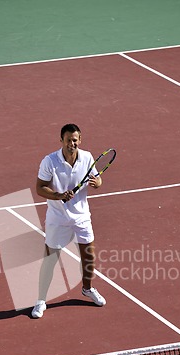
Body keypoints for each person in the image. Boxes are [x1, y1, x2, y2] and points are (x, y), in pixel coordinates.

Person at [32, 123, 106, 318]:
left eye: (75, 140)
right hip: (58, 218)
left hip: (81, 217)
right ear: (61, 141)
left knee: (88, 256)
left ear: (79, 140)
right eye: (68, 140)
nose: (71, 143)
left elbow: (97, 179)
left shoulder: (87, 157)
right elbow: (40, 188)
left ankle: (87, 289)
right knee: (50, 259)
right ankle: (40, 301)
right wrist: (58, 195)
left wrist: (97, 182)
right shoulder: (49, 161)